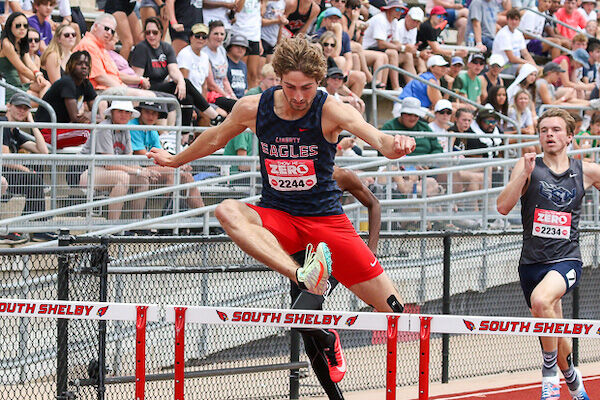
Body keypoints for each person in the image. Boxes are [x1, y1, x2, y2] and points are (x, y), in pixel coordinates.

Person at [148, 36, 413, 364]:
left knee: (396, 312)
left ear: (319, 83)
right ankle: (304, 276)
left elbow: (376, 137)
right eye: (290, 87)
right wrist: (174, 160)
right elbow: (215, 137)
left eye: (308, 88)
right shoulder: (253, 107)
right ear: (278, 79)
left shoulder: (330, 108)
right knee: (227, 210)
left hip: (326, 223)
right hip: (279, 218)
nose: (299, 97)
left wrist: (395, 144)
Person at [497, 108, 597, 400]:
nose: (549, 135)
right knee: (552, 323)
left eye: (555, 130)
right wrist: (524, 177)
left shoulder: (585, 170)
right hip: (531, 263)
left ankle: (549, 376)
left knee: (542, 301)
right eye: (544, 130)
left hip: (566, 258)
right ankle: (576, 385)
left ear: (569, 136)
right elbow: (503, 207)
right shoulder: (527, 165)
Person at [289, 166, 381, 396]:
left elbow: (374, 204)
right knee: (309, 339)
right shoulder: (285, 176)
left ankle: (329, 337)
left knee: (300, 317)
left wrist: (371, 250)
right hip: (299, 262)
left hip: (332, 257)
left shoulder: (340, 175)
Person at [69, 101, 157, 222]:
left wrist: (145, 171)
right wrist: (137, 171)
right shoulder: (104, 128)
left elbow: (129, 160)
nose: (124, 115)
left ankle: (136, 224)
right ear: (112, 113)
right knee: (122, 177)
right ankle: (112, 227)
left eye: (127, 112)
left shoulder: (125, 129)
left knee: (143, 180)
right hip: (83, 170)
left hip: (103, 170)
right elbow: (110, 165)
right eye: (119, 111)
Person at [130, 17, 226, 127]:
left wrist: (180, 82)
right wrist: (182, 81)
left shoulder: (166, 47)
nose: (151, 35)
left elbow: (174, 70)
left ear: (161, 33)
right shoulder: (142, 48)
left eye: (155, 32)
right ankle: (214, 116)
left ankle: (183, 136)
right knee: (186, 83)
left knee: (187, 95)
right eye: (148, 32)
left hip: (161, 85)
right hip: (147, 87)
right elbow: (138, 77)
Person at [129, 101, 205, 210]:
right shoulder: (133, 126)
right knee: (173, 172)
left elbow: (160, 152)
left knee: (185, 175)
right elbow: (143, 154)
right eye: (147, 112)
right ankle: (168, 216)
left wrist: (178, 162)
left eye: (154, 113)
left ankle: (201, 215)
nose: (151, 116)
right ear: (140, 112)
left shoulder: (152, 129)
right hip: (136, 169)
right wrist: (174, 164)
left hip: (149, 168)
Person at [0, 93, 55, 244]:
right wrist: (26, 170)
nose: (22, 111)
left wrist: (32, 122)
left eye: (26, 109)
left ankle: (32, 226)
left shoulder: (14, 130)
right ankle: (34, 226)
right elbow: (4, 158)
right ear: (8, 106)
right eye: (18, 106)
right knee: (33, 178)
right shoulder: (2, 123)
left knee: (34, 180)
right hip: (2, 171)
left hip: (5, 172)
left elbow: (43, 151)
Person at [35, 51, 96, 148]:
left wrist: (89, 115)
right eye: (80, 64)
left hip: (62, 129)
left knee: (100, 131)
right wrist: (91, 116)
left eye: (87, 64)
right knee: (88, 133)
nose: (84, 66)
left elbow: (97, 112)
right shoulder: (66, 82)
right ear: (71, 65)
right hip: (46, 132)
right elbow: (75, 118)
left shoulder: (86, 84)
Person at [0, 12, 50, 100]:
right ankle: (44, 111)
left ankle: (43, 110)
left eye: (25, 26)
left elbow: (29, 62)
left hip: (19, 84)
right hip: (8, 87)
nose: (22, 28)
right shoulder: (6, 43)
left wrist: (38, 74)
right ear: (10, 26)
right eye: (18, 25)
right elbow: (22, 69)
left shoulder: (20, 43)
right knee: (41, 97)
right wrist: (37, 78)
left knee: (46, 85)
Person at [361, 0, 407, 90]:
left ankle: (383, 87)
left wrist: (406, 48)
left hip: (374, 48)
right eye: (397, 9)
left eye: (402, 10)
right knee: (390, 54)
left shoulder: (394, 21)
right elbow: (381, 44)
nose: (400, 12)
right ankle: (393, 87)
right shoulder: (380, 19)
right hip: (365, 49)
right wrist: (401, 47)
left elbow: (396, 42)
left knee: (402, 54)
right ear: (389, 9)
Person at [491, 8, 535, 75]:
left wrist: (534, 65)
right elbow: (512, 59)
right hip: (503, 66)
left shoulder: (519, 33)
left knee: (536, 70)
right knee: (528, 70)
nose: (514, 22)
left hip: (515, 64)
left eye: (516, 19)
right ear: (507, 20)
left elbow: (525, 53)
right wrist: (528, 63)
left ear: (519, 21)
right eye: (512, 19)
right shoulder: (503, 34)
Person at [226, 34, 249, 99]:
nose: (240, 49)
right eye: (237, 46)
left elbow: (245, 88)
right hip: (228, 98)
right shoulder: (224, 61)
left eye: (243, 47)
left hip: (241, 99)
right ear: (230, 47)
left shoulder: (243, 65)